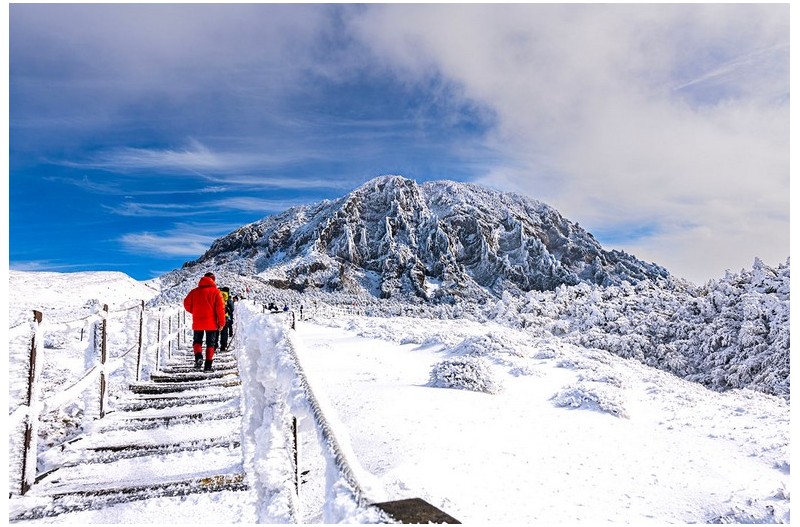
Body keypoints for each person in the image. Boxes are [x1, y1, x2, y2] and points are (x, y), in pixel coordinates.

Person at [183, 272, 226, 372]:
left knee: (197, 341)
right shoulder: (216, 292)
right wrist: (221, 323)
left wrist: (195, 311)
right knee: (210, 343)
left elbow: (186, 304)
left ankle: (198, 357)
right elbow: (220, 310)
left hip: (198, 321)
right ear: (213, 280)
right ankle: (208, 366)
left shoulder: (194, 292)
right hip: (212, 323)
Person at [218, 286, 235, 352]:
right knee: (224, 332)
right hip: (225, 317)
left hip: (216, 316)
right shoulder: (228, 298)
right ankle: (223, 346)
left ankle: (214, 345)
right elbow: (232, 309)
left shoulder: (217, 296)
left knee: (216, 332)